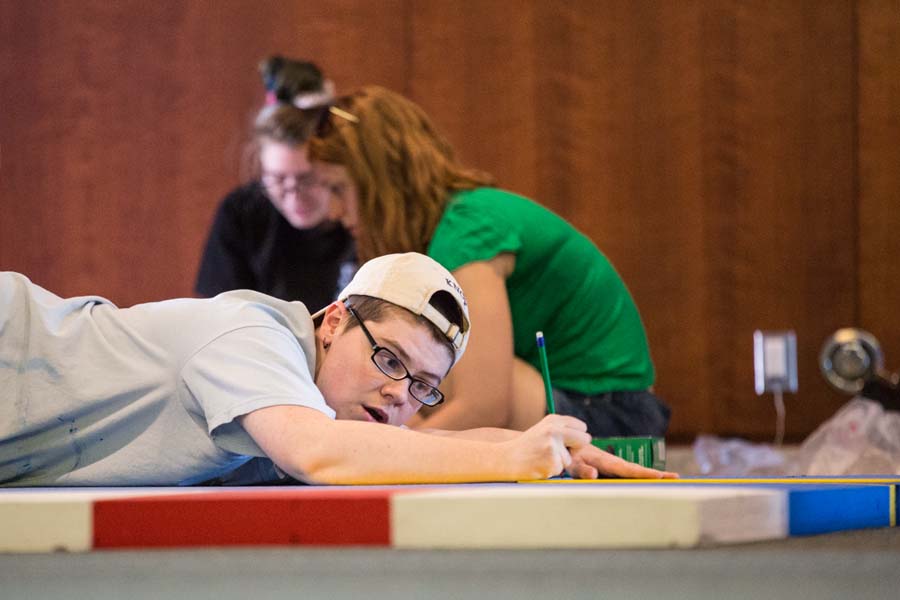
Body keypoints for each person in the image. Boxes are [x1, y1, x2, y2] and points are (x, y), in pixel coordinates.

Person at [0, 253, 676, 486]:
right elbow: (323, 455)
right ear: (331, 321)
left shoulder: (301, 398)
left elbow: (413, 445)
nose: (396, 393)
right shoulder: (250, 336)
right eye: (387, 358)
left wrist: (553, 450)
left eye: (421, 387)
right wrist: (512, 460)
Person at [308, 86, 671, 436]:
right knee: (416, 361)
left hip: (614, 413)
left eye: (339, 189)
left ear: (378, 182)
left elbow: (486, 405)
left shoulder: (467, 230)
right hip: (587, 399)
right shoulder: (458, 223)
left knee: (429, 362)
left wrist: (380, 457)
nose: (335, 212)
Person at [195, 56, 354, 310]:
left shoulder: (361, 219)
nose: (293, 195)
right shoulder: (242, 213)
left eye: (308, 179)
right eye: (278, 179)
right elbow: (219, 323)